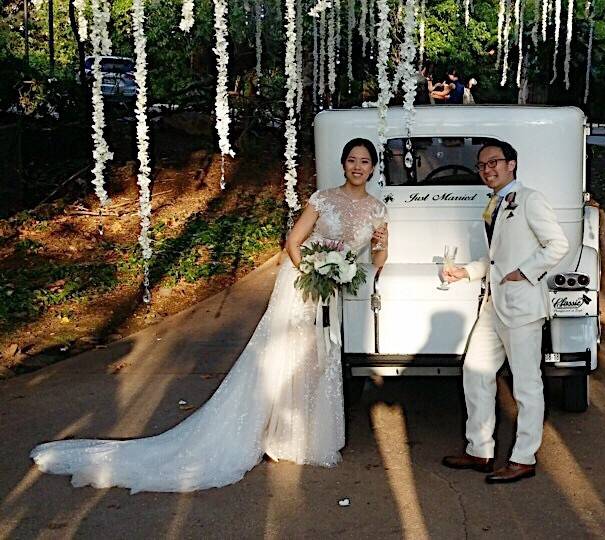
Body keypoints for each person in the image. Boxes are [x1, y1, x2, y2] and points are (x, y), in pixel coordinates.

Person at [30, 138, 389, 493]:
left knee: (315, 360)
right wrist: (313, 274)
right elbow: (294, 243)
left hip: (334, 293)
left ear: (373, 168)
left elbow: (377, 257)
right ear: (343, 164)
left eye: (364, 161)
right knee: (283, 354)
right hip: (302, 285)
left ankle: (303, 439)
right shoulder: (323, 200)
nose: (358, 167)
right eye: (352, 160)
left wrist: (377, 250)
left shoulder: (376, 210)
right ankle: (268, 434)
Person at [440, 139, 568, 484]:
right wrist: (465, 272)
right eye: (481, 165)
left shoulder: (529, 199)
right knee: (475, 371)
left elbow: (557, 244)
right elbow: (495, 260)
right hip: (493, 304)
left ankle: (524, 458)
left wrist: (524, 272)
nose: (487, 170)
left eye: (494, 162)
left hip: (522, 306)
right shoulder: (493, 204)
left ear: (512, 164)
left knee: (526, 385)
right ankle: (479, 450)